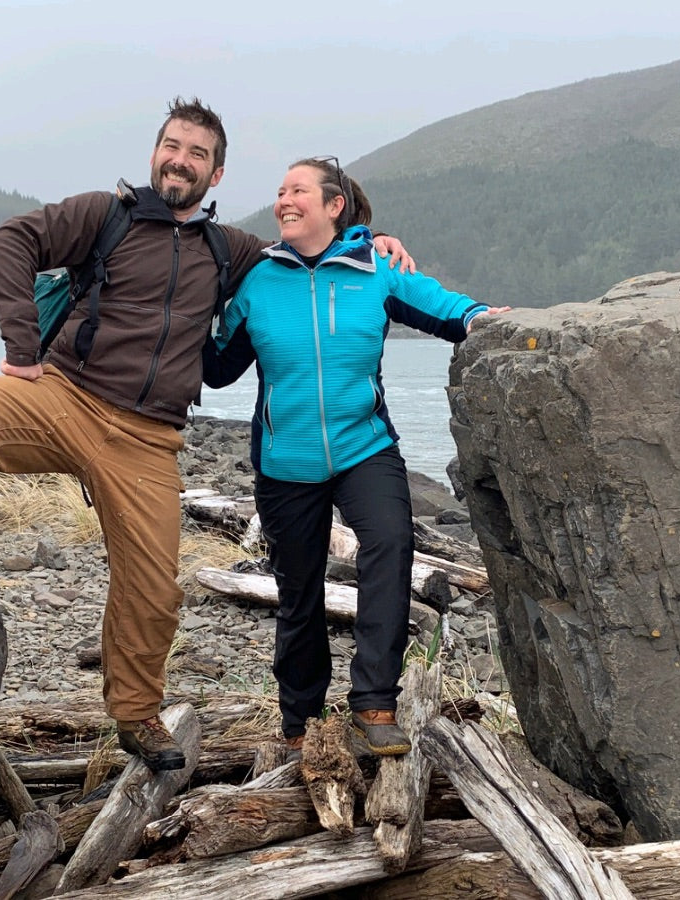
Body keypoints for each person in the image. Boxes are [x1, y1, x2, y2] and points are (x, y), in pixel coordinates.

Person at [0, 99, 415, 772]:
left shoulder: (234, 252)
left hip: (148, 437)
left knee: (153, 587)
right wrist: (21, 347)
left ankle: (136, 715)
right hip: (64, 397)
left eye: (197, 154)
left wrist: (372, 240)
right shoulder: (103, 216)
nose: (180, 159)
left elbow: (314, 251)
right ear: (155, 152)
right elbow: (9, 242)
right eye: (172, 145)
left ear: (216, 176)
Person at [202, 157, 508, 755]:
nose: (284, 200)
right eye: (280, 192)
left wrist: (479, 317)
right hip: (285, 457)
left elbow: (442, 307)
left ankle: (374, 703)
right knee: (298, 592)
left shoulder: (376, 268)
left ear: (333, 205)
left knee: (390, 547)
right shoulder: (260, 280)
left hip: (363, 446)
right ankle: (300, 723)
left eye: (297, 191)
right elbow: (217, 368)